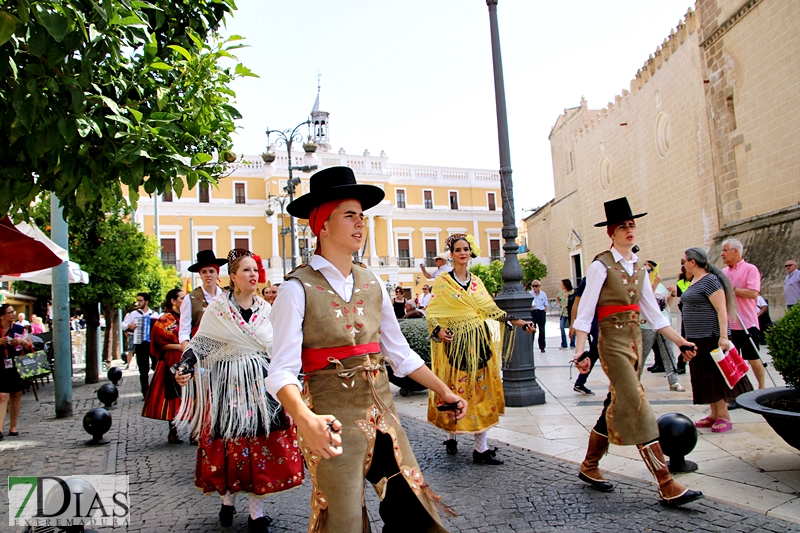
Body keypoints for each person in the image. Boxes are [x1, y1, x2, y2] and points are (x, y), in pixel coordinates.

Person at [266, 166, 467, 533]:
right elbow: (280, 371)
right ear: (322, 224)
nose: (361, 224)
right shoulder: (296, 289)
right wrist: (305, 419)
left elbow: (400, 353)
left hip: (384, 421)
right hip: (332, 427)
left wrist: (444, 391)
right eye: (350, 216)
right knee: (343, 524)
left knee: (414, 512)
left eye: (363, 216)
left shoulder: (373, 282)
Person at [572, 197, 702, 507]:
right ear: (611, 233)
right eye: (622, 227)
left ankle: (589, 465)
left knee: (614, 403)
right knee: (636, 402)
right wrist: (580, 350)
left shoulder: (640, 269)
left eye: (632, 225)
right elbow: (585, 312)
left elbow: (655, 316)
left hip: (634, 342)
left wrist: (681, 341)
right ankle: (665, 482)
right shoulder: (600, 265)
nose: (629, 230)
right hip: (611, 342)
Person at [175, 249, 303, 532]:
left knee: (260, 445)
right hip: (228, 386)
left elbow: (281, 348)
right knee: (229, 445)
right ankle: (228, 499)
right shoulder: (218, 310)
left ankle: (256, 515)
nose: (253, 275)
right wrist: (184, 367)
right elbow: (200, 345)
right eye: (246, 270)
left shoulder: (267, 311)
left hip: (260, 387)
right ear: (232, 277)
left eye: (255, 270)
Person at [427, 233, 534, 465]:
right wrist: (438, 331)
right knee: (456, 391)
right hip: (456, 347)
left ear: (470, 253)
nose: (462, 253)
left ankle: (481, 449)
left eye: (466, 249)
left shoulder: (477, 282)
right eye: (458, 250)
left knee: (481, 393)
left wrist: (520, 322)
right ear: (452, 254)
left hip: (479, 344)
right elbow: (433, 313)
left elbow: (492, 310)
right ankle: (451, 434)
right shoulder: (443, 282)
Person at [681, 247, 753, 432]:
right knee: (704, 377)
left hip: (711, 336)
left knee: (715, 376)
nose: (683, 265)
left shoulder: (710, 281)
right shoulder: (694, 281)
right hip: (697, 337)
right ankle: (713, 413)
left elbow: (722, 309)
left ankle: (723, 415)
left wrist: (723, 336)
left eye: (684, 261)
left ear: (693, 262)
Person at [720, 239, 767, 390]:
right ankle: (739, 390)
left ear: (736, 251)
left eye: (725, 250)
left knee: (753, 359)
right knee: (731, 360)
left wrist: (733, 289)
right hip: (729, 324)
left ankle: (761, 387)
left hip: (747, 323)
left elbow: (753, 293)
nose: (722, 254)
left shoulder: (750, 269)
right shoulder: (723, 272)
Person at [142, 288, 187, 444]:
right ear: (173, 301)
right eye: (182, 298)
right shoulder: (164, 320)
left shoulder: (189, 317)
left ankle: (195, 432)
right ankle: (173, 431)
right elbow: (159, 344)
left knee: (194, 396)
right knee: (172, 397)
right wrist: (180, 347)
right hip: (170, 362)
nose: (185, 300)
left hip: (189, 360)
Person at [641, 261, 685, 392]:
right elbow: (646, 300)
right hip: (647, 325)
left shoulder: (659, 286)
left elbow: (667, 305)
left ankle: (674, 381)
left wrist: (672, 294)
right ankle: (635, 381)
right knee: (642, 353)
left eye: (650, 271)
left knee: (668, 352)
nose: (648, 273)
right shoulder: (643, 286)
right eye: (645, 271)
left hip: (664, 322)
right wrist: (654, 283)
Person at [179, 250, 228, 351]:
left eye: (211, 271)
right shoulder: (190, 298)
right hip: (200, 352)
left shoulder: (227, 297)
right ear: (200, 274)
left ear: (217, 273)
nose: (208, 275)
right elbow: (184, 332)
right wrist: (189, 357)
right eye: (204, 272)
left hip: (226, 350)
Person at [0, 304, 33, 440]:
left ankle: (13, 426)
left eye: (13, 311)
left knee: (16, 395)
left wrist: (21, 341)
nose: (13, 314)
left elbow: (30, 345)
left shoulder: (19, 329)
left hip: (16, 364)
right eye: (9, 312)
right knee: (2, 396)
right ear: (2, 316)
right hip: (0, 364)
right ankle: (0, 428)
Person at [122, 292, 160, 398]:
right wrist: (129, 325)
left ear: (146, 301)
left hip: (152, 344)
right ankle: (145, 392)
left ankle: (156, 390)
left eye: (140, 300)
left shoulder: (154, 315)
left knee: (156, 366)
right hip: (140, 344)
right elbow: (123, 324)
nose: (138, 303)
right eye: (138, 300)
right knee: (143, 370)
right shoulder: (134, 314)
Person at [569, 277, 598, 396]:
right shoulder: (589, 280)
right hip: (594, 321)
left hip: (606, 320)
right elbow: (576, 303)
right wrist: (573, 324)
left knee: (596, 352)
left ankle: (580, 382)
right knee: (599, 347)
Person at [529, 279, 548, 353]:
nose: (534, 288)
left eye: (536, 286)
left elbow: (546, 304)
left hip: (541, 312)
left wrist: (544, 311)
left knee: (542, 331)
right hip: (533, 312)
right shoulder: (530, 294)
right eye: (533, 286)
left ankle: (542, 347)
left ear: (539, 286)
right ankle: (530, 346)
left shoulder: (543, 294)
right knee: (531, 330)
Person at [557, 279, 575, 349]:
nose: (561, 285)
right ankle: (564, 343)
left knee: (572, 327)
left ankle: (572, 343)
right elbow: (557, 298)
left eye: (562, 284)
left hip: (570, 312)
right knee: (562, 327)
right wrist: (560, 303)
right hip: (563, 312)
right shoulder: (561, 293)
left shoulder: (573, 292)